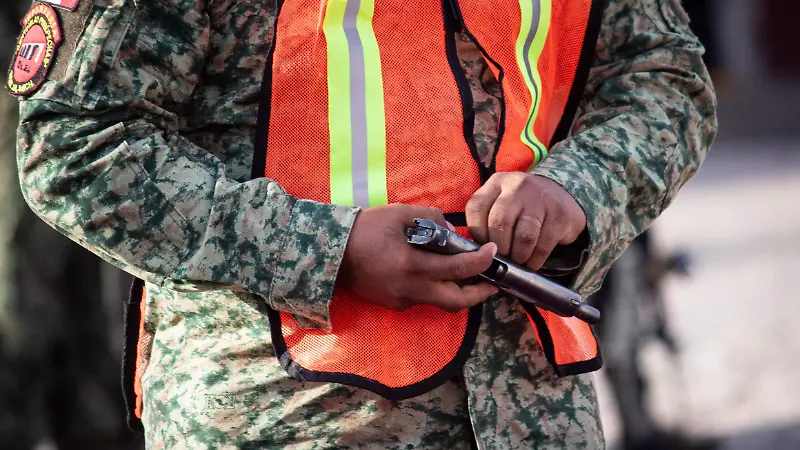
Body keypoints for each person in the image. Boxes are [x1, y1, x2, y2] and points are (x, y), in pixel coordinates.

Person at [10, 0, 716, 448]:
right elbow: (74, 143)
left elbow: (662, 71)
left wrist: (577, 189)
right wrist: (326, 250)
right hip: (289, 416)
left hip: (532, 411)